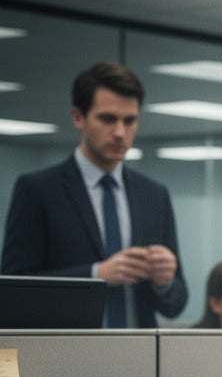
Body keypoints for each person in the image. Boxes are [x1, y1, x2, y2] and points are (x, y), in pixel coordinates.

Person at [1, 61, 187, 328]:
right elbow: (13, 291)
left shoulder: (154, 195)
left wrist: (165, 281)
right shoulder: (38, 190)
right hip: (69, 357)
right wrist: (95, 275)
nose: (120, 133)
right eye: (108, 119)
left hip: (141, 359)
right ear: (78, 117)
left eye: (130, 120)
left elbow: (176, 305)